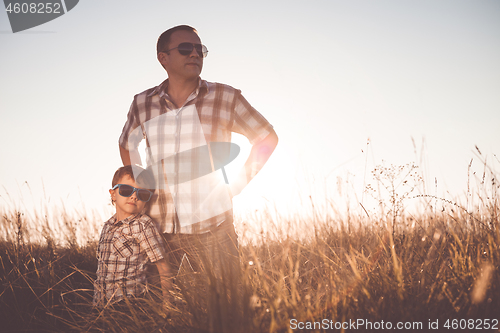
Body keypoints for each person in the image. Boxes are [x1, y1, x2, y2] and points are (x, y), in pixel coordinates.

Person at [117, 25, 278, 291]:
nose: (195, 54)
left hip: (213, 225)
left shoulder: (225, 97)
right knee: (154, 308)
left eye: (199, 49)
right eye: (185, 48)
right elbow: (127, 143)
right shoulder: (142, 103)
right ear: (163, 58)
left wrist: (238, 184)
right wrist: (139, 188)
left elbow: (266, 137)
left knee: (226, 305)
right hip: (157, 226)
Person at [93, 165, 171, 308]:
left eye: (142, 194)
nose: (134, 196)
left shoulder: (143, 225)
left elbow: (162, 265)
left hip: (129, 304)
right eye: (126, 190)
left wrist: (167, 302)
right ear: (113, 194)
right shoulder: (107, 227)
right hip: (101, 305)